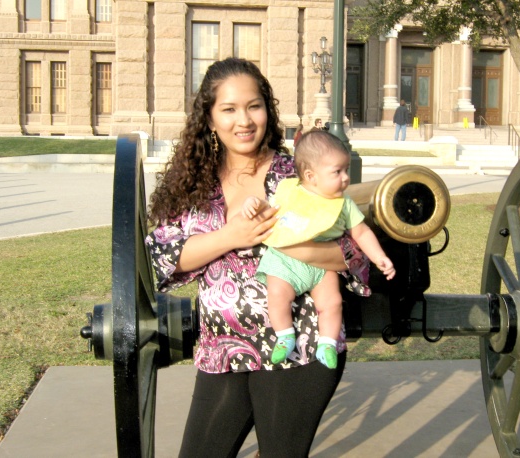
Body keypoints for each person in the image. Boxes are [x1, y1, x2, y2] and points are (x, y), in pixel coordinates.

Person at [145, 57, 370, 457]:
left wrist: (290, 244)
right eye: (229, 109)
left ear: (267, 110)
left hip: (298, 346)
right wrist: (233, 235)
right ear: (210, 119)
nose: (244, 120)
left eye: (253, 106)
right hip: (223, 348)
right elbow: (165, 256)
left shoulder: (299, 175)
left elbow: (353, 256)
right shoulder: (195, 181)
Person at [242, 130, 395, 369]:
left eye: (346, 170)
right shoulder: (290, 192)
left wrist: (380, 257)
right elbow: (270, 210)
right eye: (337, 172)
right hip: (284, 262)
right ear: (311, 176)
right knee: (277, 295)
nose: (345, 178)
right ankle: (284, 336)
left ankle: (326, 343)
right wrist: (253, 203)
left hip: (322, 267)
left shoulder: (343, 204)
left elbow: (361, 232)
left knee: (332, 302)